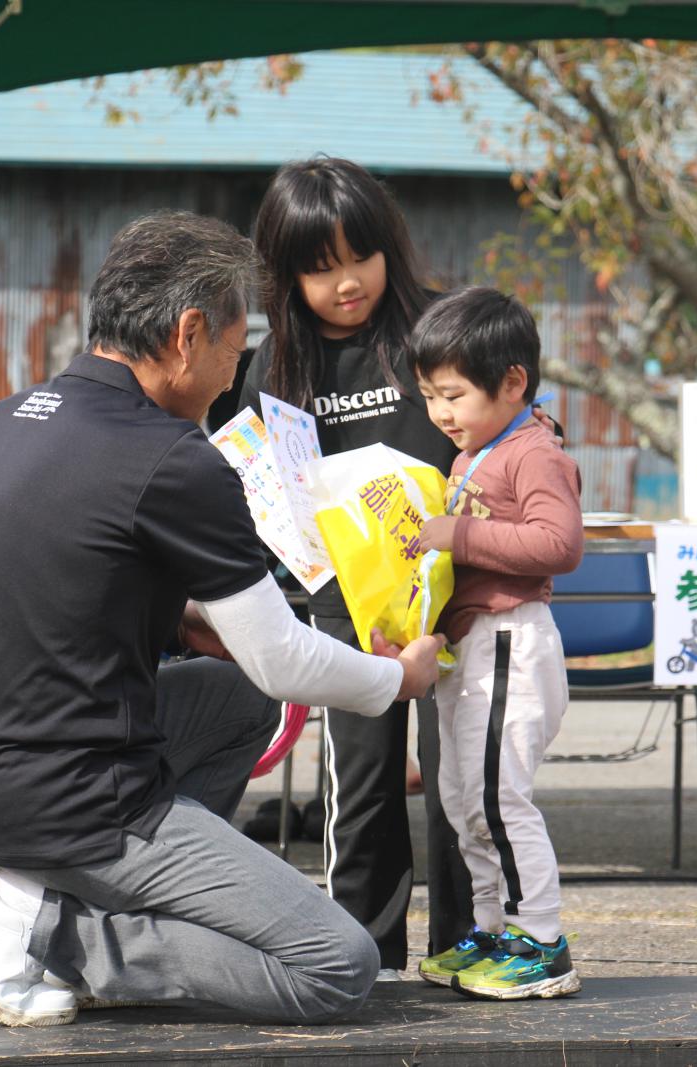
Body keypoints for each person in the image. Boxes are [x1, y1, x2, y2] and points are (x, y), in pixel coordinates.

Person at [0, 210, 445, 1028]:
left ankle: (46, 885)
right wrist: (398, 678)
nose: (229, 379)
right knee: (339, 966)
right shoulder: (173, 458)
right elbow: (280, 658)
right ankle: (50, 928)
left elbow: (48, 588)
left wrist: (184, 621)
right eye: (234, 355)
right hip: (81, 798)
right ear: (188, 333)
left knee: (234, 702)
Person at [237, 157, 474, 978]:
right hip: (345, 612)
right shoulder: (269, 370)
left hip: (458, 600)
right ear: (286, 276)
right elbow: (250, 491)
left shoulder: (442, 330)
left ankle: (466, 947)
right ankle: (363, 956)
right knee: (363, 792)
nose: (347, 283)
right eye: (320, 267)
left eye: (359, 258)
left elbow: (506, 428)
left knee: (462, 788)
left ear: (388, 247)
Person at [408, 287, 583, 1000]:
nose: (441, 413)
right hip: (471, 645)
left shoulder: (532, 451)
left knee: (498, 798)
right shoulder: (476, 452)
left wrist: (461, 533)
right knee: (462, 797)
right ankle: (492, 930)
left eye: (453, 394)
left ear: (513, 382)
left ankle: (542, 942)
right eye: (429, 395)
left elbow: (558, 542)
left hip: (510, 640)